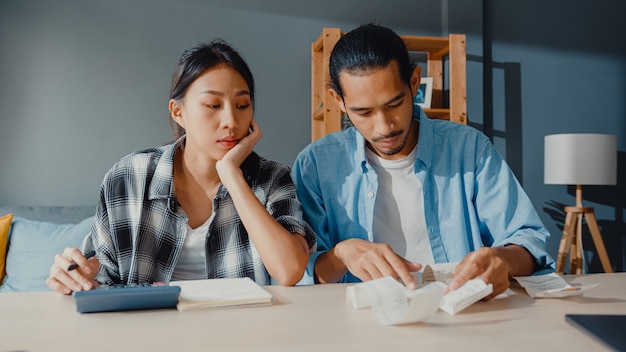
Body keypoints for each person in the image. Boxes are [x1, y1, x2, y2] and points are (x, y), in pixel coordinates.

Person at [291, 24, 554, 299]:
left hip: (465, 319)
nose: (383, 127)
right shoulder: (316, 165)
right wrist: (341, 255)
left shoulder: (469, 149)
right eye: (364, 112)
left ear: (414, 82)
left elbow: (528, 240)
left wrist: (502, 260)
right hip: (361, 327)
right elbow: (299, 273)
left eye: (394, 104)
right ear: (339, 101)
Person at [46, 39, 315, 295]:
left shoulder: (272, 178)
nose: (231, 121)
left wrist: (232, 175)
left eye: (242, 105)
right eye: (213, 105)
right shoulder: (129, 176)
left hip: (239, 334)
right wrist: (76, 275)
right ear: (178, 112)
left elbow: (289, 270)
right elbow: (101, 275)